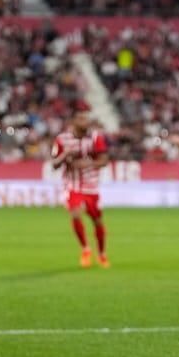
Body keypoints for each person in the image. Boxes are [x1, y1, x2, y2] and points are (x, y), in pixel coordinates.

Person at [51, 106, 111, 268]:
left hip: (91, 186)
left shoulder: (96, 137)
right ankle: (85, 249)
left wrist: (90, 163)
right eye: (82, 118)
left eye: (87, 118)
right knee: (76, 213)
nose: (86, 122)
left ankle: (102, 254)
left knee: (97, 220)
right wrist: (65, 155)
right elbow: (54, 164)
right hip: (73, 185)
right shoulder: (62, 139)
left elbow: (104, 160)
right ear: (74, 121)